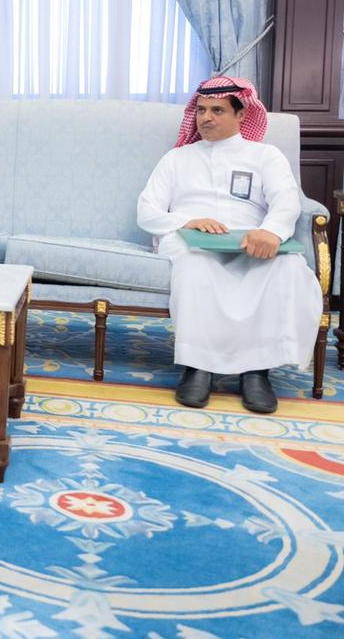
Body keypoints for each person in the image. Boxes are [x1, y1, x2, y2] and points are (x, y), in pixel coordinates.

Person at [136, 76, 321, 414]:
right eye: (201, 110)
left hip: (249, 239)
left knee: (286, 265)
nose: (206, 118)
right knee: (196, 264)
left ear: (241, 114)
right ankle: (197, 368)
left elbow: (287, 201)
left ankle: (257, 372)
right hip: (190, 240)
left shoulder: (265, 156)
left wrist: (271, 232)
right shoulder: (176, 159)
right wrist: (187, 221)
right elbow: (147, 211)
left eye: (217, 110)